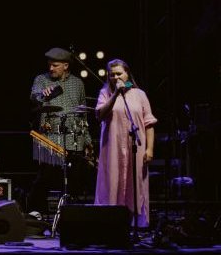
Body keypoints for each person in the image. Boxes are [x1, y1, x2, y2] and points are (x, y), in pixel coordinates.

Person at [26, 47, 93, 213]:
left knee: (74, 181)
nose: (51, 68)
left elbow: (83, 114)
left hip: (73, 140)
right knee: (44, 179)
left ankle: (71, 215)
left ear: (66, 65)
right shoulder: (42, 79)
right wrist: (43, 95)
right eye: (49, 64)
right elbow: (34, 97)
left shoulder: (78, 83)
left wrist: (88, 141)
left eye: (55, 65)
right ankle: (36, 215)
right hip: (49, 138)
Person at [94, 58, 156, 227]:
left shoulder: (140, 94)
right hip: (112, 148)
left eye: (119, 73)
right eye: (112, 74)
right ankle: (111, 224)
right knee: (112, 184)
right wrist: (115, 94)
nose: (115, 77)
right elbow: (99, 115)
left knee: (134, 185)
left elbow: (149, 123)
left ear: (127, 74)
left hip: (135, 148)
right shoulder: (105, 93)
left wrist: (150, 149)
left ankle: (133, 225)